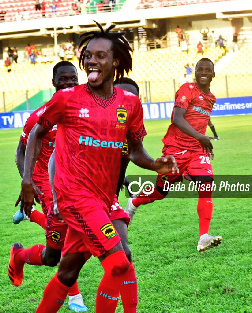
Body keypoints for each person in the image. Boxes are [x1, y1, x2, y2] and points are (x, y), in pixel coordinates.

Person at [17, 22, 177, 312]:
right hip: (74, 195)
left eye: (100, 55)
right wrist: (27, 180)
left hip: (104, 199)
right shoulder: (67, 99)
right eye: (88, 55)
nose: (91, 60)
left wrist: (156, 164)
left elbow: (136, 150)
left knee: (67, 270)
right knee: (118, 261)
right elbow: (37, 134)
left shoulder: (130, 103)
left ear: (115, 62)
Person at [9, 61, 88, 312]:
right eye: (63, 79)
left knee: (60, 249)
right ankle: (75, 298)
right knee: (67, 239)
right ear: (54, 83)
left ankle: (20, 252)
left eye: (72, 78)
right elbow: (21, 151)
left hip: (77, 180)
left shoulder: (86, 110)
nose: (68, 83)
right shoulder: (40, 116)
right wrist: (28, 182)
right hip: (48, 181)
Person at [125, 58, 223, 253]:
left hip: (197, 151)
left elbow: (201, 120)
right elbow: (177, 119)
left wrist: (204, 141)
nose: (203, 72)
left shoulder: (211, 97)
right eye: (199, 69)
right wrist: (202, 137)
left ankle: (203, 237)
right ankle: (133, 202)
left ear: (213, 74)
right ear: (195, 73)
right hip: (175, 151)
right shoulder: (187, 89)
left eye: (207, 70)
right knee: (160, 193)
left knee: (206, 184)